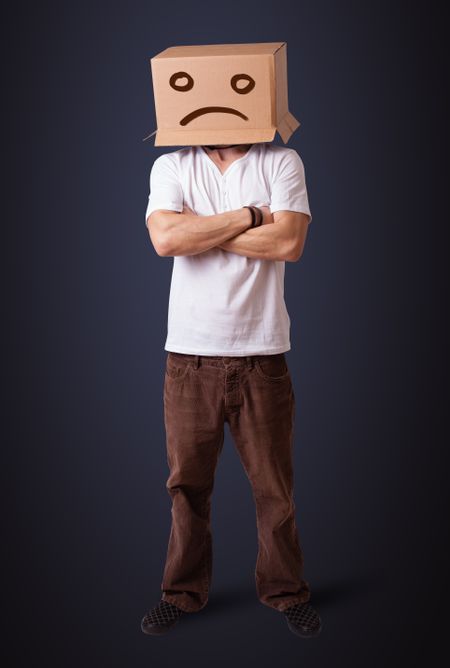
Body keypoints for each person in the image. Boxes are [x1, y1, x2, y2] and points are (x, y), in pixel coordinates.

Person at [140, 141, 322, 638]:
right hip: (188, 357)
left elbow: (289, 245)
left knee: (274, 491)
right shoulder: (172, 164)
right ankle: (181, 592)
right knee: (186, 488)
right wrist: (251, 215)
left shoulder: (282, 160)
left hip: (262, 355)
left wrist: (199, 230)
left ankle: (286, 593)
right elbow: (164, 240)